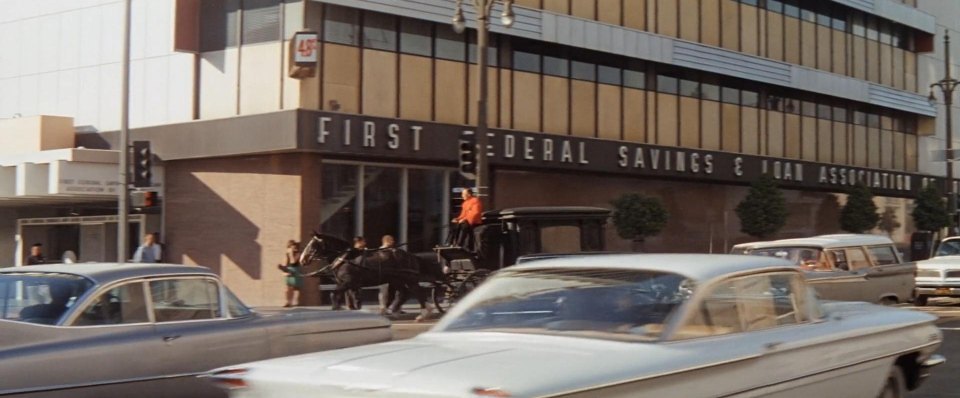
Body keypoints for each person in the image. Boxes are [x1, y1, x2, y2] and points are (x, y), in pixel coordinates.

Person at [378, 235, 404, 315]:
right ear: (386, 241)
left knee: (395, 292)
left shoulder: (393, 250)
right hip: (384, 275)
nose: (393, 242)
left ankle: (395, 307)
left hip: (392, 275)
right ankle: (383, 308)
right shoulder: (381, 250)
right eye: (391, 240)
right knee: (384, 292)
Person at [277, 240, 303, 307]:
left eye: (293, 246)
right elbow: (285, 263)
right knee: (287, 288)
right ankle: (288, 302)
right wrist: (284, 270)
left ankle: (296, 302)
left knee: (295, 288)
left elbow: (293, 262)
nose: (292, 248)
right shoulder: (287, 254)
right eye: (290, 247)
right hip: (288, 270)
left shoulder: (298, 253)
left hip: (296, 270)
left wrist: (291, 253)